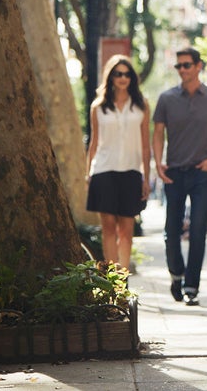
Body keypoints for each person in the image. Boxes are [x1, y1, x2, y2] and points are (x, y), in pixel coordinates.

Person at [153, 47, 207, 306]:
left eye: (186, 65)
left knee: (198, 230)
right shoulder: (166, 98)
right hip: (174, 172)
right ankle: (176, 273)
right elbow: (157, 133)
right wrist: (158, 163)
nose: (182, 70)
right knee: (172, 231)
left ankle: (191, 286)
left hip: (203, 173)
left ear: (198, 66)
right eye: (178, 66)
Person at [86, 55, 151, 272]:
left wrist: (146, 178)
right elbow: (94, 143)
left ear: (131, 78)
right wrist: (88, 174)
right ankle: (112, 279)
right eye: (118, 74)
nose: (122, 78)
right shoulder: (98, 107)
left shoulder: (141, 106)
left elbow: (145, 145)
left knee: (126, 229)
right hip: (103, 170)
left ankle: (123, 276)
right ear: (111, 77)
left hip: (131, 172)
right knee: (108, 229)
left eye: (126, 74)